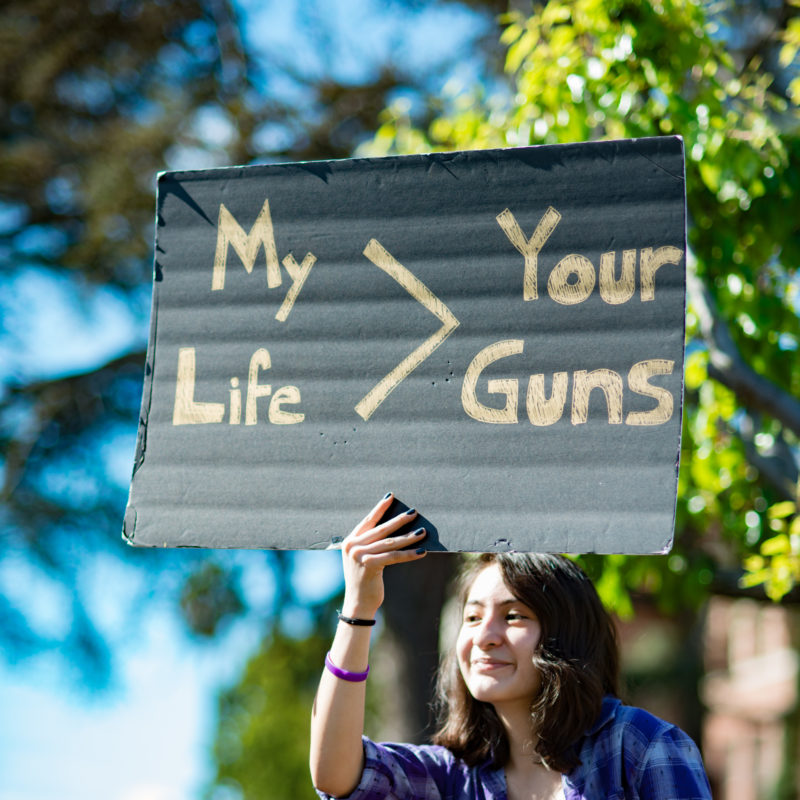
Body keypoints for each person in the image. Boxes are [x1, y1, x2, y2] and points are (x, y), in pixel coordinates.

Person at [310, 493, 712, 800]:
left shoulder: (642, 747)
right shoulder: (451, 778)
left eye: (514, 616)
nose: (485, 636)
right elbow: (336, 776)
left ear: (566, 633)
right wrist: (358, 607)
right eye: (472, 617)